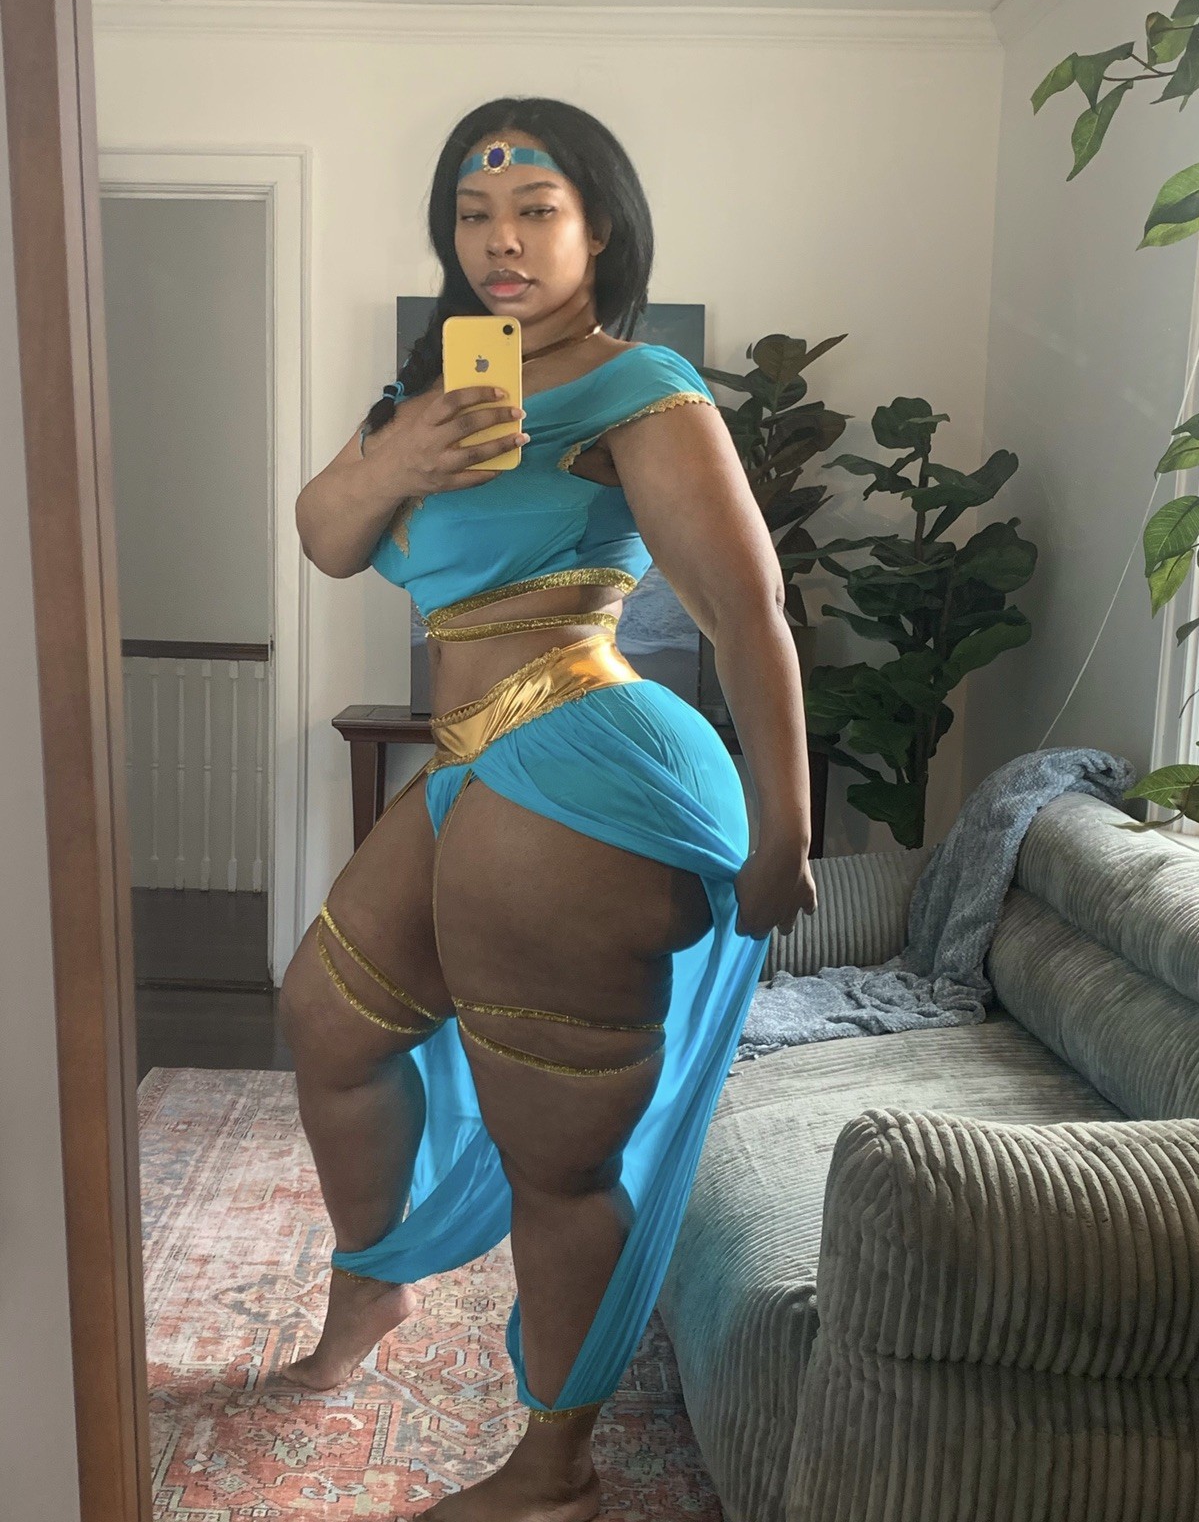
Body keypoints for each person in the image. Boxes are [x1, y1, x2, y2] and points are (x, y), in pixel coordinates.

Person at [282, 95, 818, 1522]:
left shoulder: (637, 385)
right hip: (471, 757)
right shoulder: (438, 395)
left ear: (600, 231)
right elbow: (325, 536)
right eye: (474, 215)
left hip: (582, 763)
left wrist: (787, 832)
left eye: (535, 211)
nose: (500, 240)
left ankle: (553, 1469)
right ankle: (373, 1283)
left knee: (555, 1159)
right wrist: (395, 457)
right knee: (327, 1023)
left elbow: (748, 612)